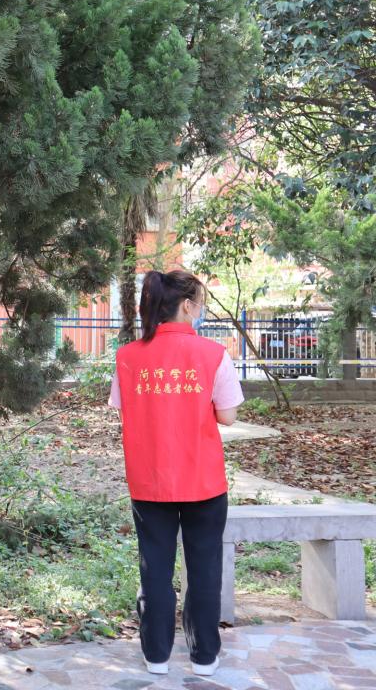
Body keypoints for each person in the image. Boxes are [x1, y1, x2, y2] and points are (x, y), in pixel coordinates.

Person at [109, 270, 243, 678]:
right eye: (199, 302)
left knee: (155, 568)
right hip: (203, 479)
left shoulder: (128, 357)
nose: (200, 309)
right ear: (187, 305)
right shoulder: (213, 354)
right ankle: (204, 657)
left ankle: (157, 656)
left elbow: (126, 411)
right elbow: (228, 416)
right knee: (204, 569)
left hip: (150, 479)